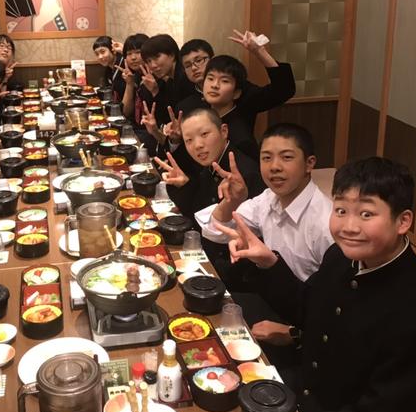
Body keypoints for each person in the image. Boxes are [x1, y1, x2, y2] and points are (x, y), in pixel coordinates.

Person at [216, 157, 416, 412]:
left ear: (403, 221)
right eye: (341, 210)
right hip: (313, 402)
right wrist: (269, 263)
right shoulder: (341, 258)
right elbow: (308, 309)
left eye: (366, 214)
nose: (349, 226)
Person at [196, 123, 333, 359]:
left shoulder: (325, 223)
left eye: (286, 157)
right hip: (274, 300)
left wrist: (294, 334)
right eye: (266, 158)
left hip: (308, 328)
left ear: (309, 163)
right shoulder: (270, 198)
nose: (274, 167)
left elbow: (338, 307)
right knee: (203, 312)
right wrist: (232, 201)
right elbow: (215, 230)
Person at [154, 108, 263, 271]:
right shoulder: (211, 162)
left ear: (224, 131)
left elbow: (242, 243)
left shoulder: (244, 173)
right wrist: (184, 185)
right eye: (189, 140)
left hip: (232, 267)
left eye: (204, 134)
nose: (198, 145)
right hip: (204, 251)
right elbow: (198, 214)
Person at [139, 34, 195, 126]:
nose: (153, 65)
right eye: (149, 61)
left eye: (157, 57)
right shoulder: (169, 80)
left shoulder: (185, 76)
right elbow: (166, 117)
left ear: (172, 55)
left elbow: (172, 119)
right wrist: (154, 91)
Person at [92, 35, 125, 100]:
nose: (100, 57)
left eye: (103, 52)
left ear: (113, 50)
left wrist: (123, 50)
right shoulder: (108, 69)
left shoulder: (122, 63)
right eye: (97, 54)